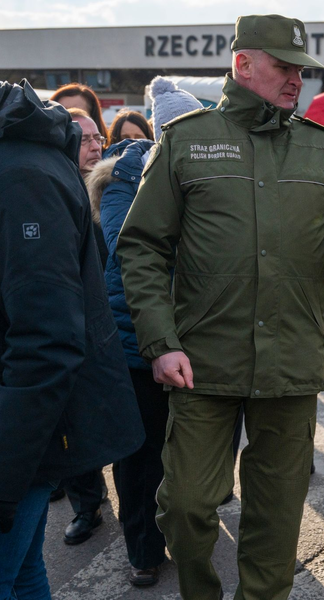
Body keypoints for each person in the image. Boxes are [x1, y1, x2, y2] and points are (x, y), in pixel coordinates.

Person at [116, 15, 324, 600]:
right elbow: (141, 247)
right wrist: (160, 341)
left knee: (276, 516)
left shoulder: (323, 151)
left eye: (302, 69)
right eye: (285, 66)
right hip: (201, 362)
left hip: (288, 364)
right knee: (187, 507)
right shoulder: (188, 140)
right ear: (244, 64)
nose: (298, 79)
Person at [0, 79, 144, 600]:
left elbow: (46, 342)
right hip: (25, 427)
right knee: (21, 574)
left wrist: (7, 474)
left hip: (21, 433)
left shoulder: (21, 174)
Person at [85, 76, 202, 587]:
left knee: (188, 453)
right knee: (140, 456)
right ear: (159, 130)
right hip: (136, 343)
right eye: (174, 126)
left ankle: (184, 532)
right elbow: (130, 246)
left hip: (196, 339)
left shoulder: (206, 173)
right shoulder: (122, 177)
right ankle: (143, 550)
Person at [55, 106, 116, 546]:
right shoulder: (53, 188)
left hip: (117, 319)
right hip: (73, 322)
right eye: (84, 140)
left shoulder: (116, 186)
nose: (95, 146)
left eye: (98, 138)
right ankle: (86, 504)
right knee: (74, 419)